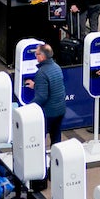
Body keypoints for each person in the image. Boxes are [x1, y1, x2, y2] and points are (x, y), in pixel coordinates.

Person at [30, 44, 67, 187]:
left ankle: (41, 176)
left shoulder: (41, 73)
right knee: (56, 141)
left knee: (39, 143)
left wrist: (27, 108)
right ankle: (55, 171)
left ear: (42, 56)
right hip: (60, 110)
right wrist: (36, 85)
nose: (35, 56)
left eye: (37, 54)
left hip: (47, 114)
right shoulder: (56, 67)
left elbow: (42, 97)